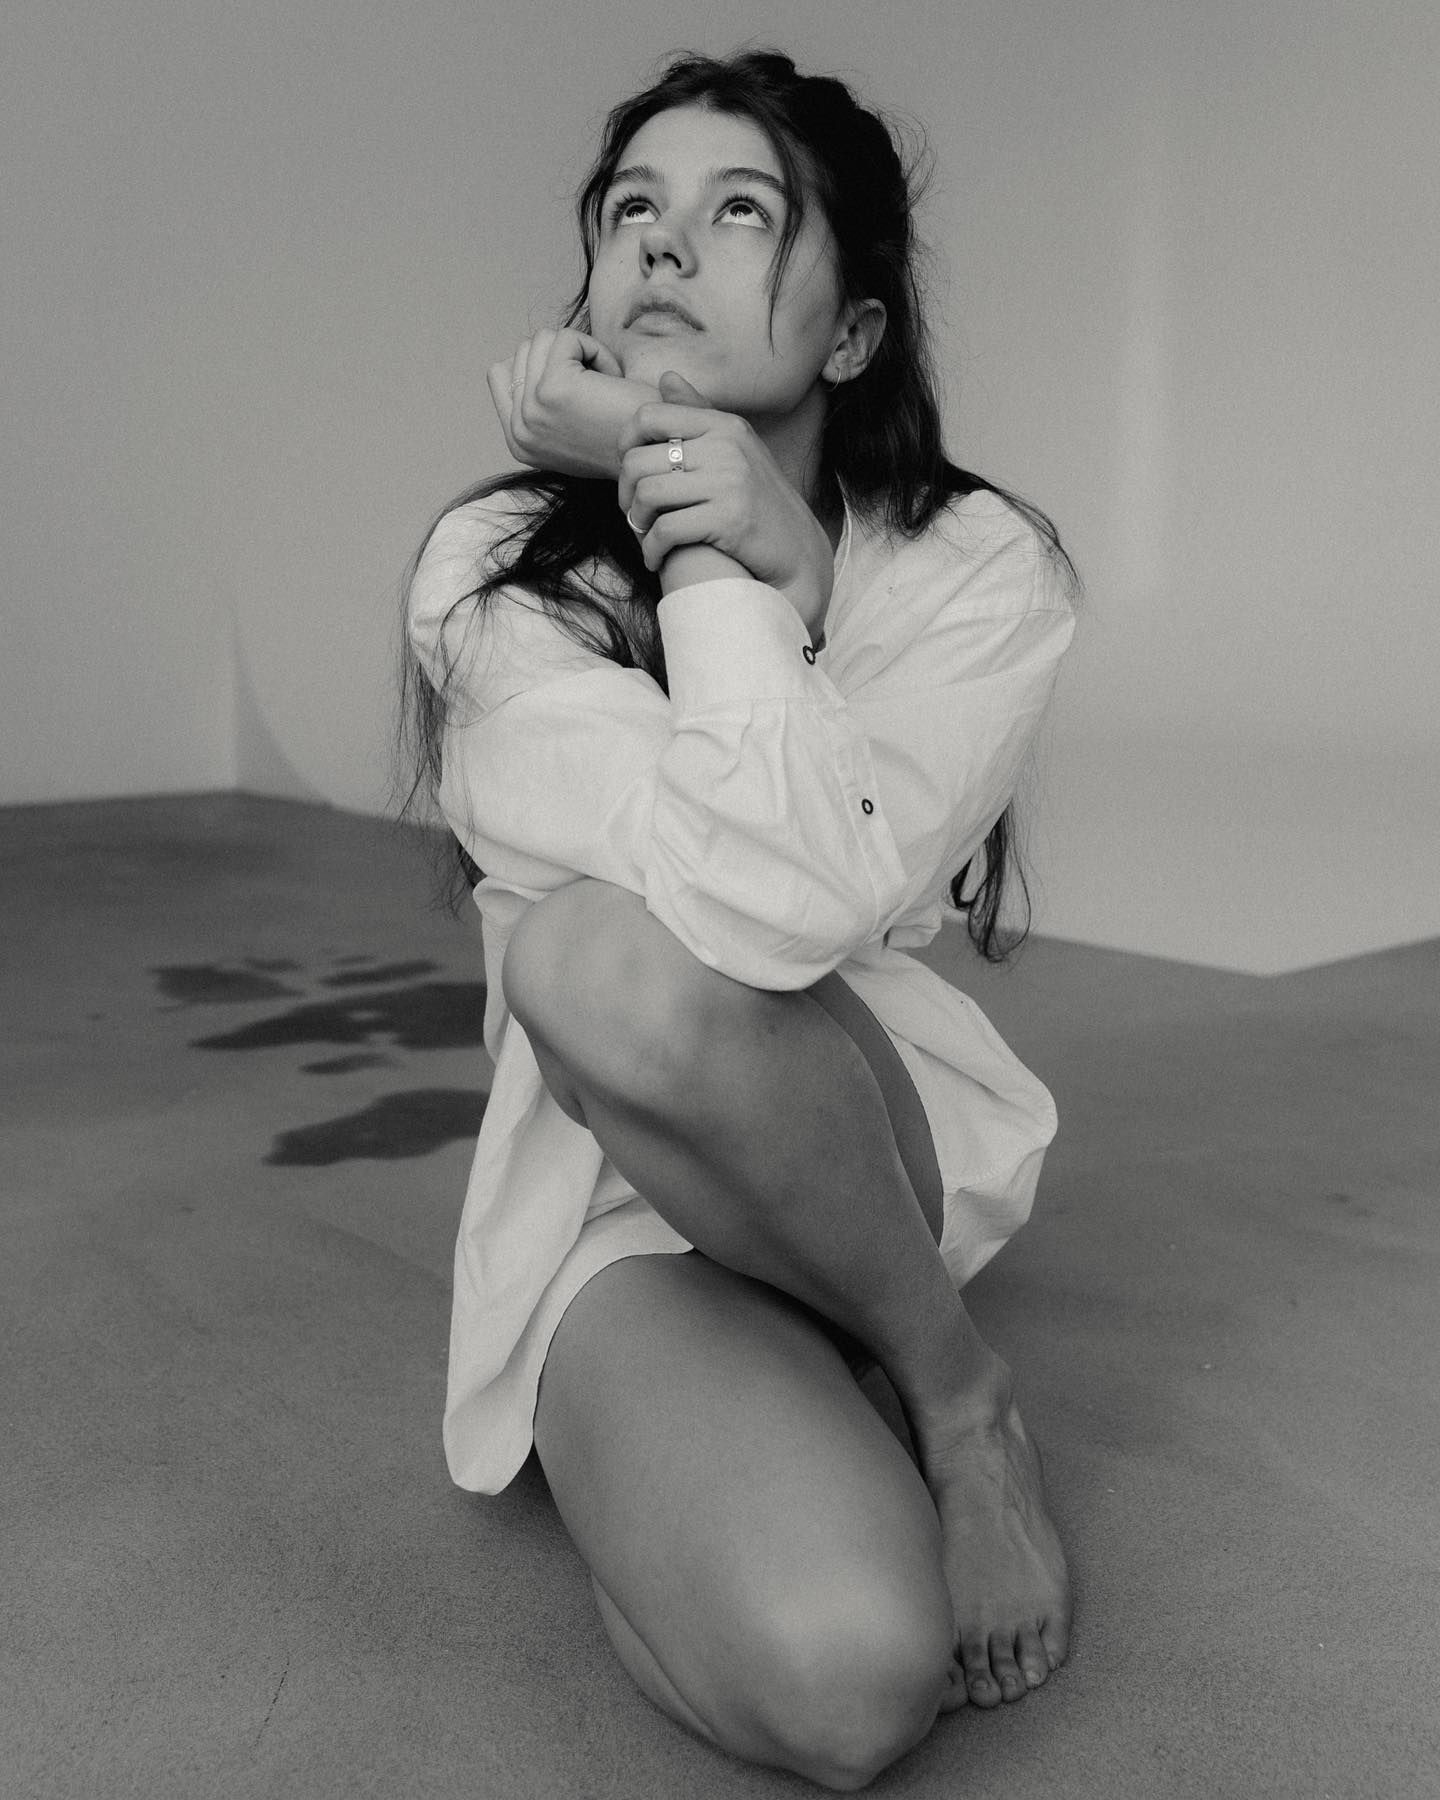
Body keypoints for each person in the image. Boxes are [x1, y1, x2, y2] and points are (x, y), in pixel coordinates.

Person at [400, 48, 1078, 1792]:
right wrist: (704, 514)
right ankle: (755, 1412)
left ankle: (954, 1396)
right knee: (850, 1691)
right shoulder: (491, 578)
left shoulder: (978, 570)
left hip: (853, 1128)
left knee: (598, 953)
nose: (662, 245)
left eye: (740, 213)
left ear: (852, 334)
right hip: (618, 1179)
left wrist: (733, 542)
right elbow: (698, 928)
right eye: (633, 208)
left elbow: (782, 924)